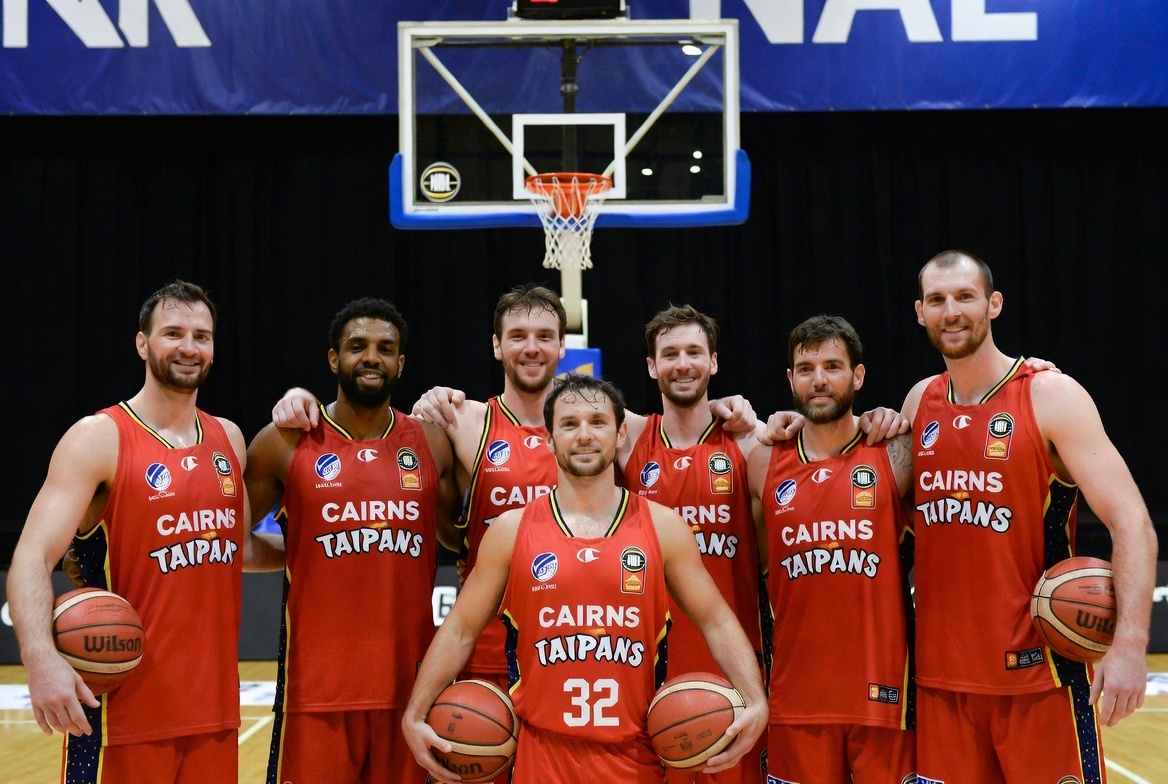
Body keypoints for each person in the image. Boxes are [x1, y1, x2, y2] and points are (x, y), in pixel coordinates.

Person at [401, 374, 769, 784]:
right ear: (549, 438)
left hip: (636, 758)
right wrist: (416, 711)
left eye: (598, 421)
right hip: (541, 758)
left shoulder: (664, 528)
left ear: (620, 432)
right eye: (569, 423)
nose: (585, 435)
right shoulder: (510, 530)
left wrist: (755, 700)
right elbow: (460, 631)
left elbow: (717, 620)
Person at [6, 280, 282, 784]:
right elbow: (30, 556)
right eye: (173, 333)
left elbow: (238, 549)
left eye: (202, 335)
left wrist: (323, 549)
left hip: (215, 713)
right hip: (119, 715)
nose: (189, 347)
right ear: (142, 343)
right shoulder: (98, 437)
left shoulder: (230, 438)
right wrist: (39, 658)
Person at [902, 249, 1158, 783]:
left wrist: (1131, 647)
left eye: (965, 297)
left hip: (1040, 678)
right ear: (920, 312)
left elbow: (1131, 521)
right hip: (940, 683)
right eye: (937, 299)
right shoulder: (916, 403)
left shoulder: (1050, 394)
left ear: (993, 305)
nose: (952, 311)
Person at [245, 297, 459, 783]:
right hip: (316, 693)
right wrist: (295, 552)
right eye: (357, 346)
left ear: (400, 364)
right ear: (333, 359)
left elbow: (458, 536)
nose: (372, 357)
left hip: (411, 693)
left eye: (386, 349)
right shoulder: (285, 441)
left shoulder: (432, 441)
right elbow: (225, 540)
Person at [748, 314, 916, 784]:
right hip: (796, 700)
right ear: (790, 379)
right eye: (806, 368)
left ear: (857, 376)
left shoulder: (896, 451)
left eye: (833, 366)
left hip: (882, 699)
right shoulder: (763, 460)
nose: (819, 380)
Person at [620, 305, 769, 784]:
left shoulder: (749, 443)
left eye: (693, 352)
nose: (682, 364)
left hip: (733, 671)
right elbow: (557, 402)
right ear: (651, 366)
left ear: (715, 361)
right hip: (648, 672)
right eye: (669, 354)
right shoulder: (630, 438)